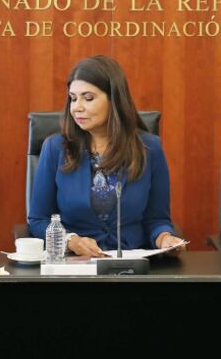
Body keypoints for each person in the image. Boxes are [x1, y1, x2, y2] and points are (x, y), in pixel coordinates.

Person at [28, 55, 185, 257]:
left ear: (114, 100)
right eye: (73, 98)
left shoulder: (149, 148)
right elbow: (38, 220)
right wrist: (71, 241)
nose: (77, 107)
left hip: (130, 264)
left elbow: (156, 219)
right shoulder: (55, 148)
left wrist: (165, 238)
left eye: (88, 98)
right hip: (75, 264)